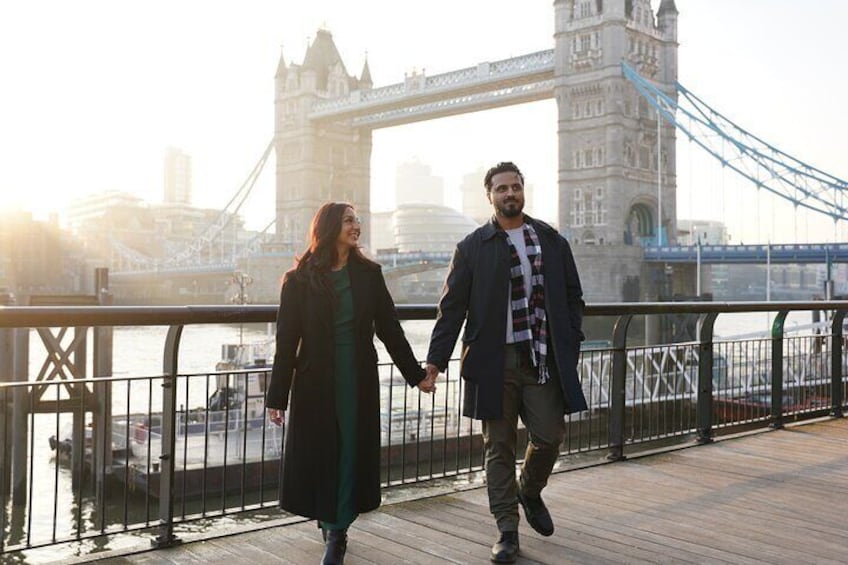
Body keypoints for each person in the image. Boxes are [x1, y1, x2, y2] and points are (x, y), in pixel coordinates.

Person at [424, 162, 588, 563]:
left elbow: (572, 298)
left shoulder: (551, 241)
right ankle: (507, 531)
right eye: (502, 189)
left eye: (515, 187)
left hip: (541, 358)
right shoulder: (471, 247)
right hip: (492, 361)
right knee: (498, 446)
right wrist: (434, 363)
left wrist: (572, 341)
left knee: (549, 436)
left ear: (523, 191)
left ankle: (528, 491)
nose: (509, 193)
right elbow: (452, 310)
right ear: (490, 196)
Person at [266, 202, 433, 565]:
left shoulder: (369, 274)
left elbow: (390, 330)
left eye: (357, 220)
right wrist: (276, 397)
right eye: (348, 220)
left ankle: (337, 532)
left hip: (357, 378)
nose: (356, 226)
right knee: (324, 451)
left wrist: (416, 375)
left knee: (349, 451)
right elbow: (286, 342)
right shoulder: (298, 280)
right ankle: (331, 521)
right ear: (329, 227)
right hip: (314, 382)